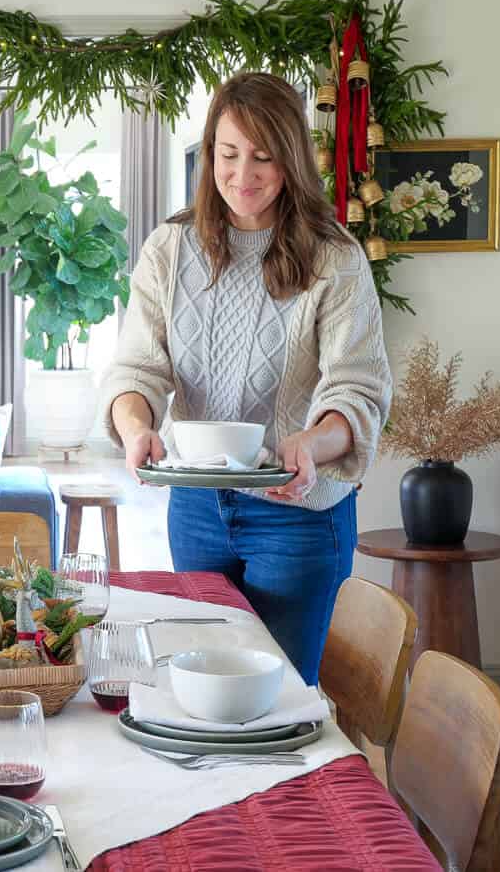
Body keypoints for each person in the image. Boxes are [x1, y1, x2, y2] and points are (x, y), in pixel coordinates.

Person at [101, 72, 392, 685]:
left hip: (298, 513)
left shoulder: (333, 256)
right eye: (228, 154)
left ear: (290, 160)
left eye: (263, 157)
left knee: (281, 694)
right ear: (209, 155)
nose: (243, 175)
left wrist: (309, 446)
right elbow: (137, 370)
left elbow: (357, 391)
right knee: (206, 688)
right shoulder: (169, 250)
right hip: (197, 508)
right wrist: (135, 429)